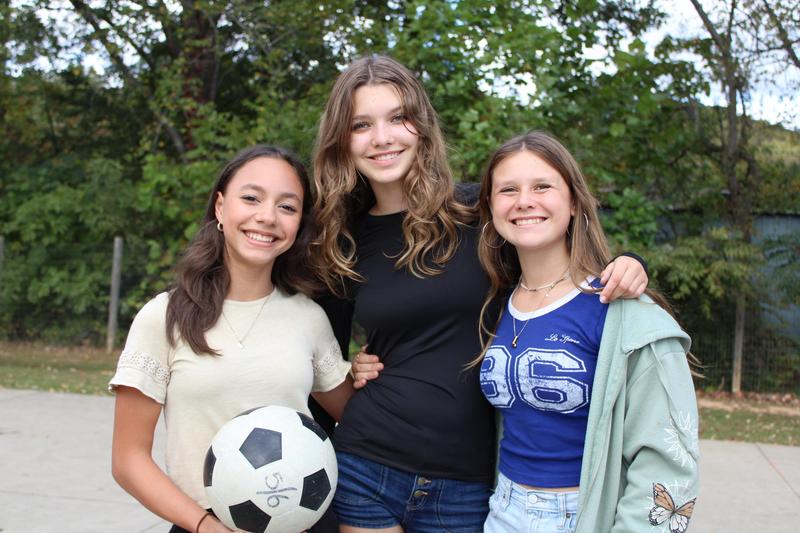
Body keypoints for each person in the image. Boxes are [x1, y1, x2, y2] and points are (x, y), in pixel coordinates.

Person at [310, 54, 650, 533]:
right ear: (341, 141)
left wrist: (631, 261)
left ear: (421, 126)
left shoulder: (479, 212)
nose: (382, 137)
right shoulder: (342, 239)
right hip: (366, 466)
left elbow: (559, 257)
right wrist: (355, 370)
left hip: (467, 480)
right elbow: (318, 355)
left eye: (397, 118)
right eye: (361, 125)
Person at [109, 145, 354, 533]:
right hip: (202, 524)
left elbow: (357, 419)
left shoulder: (309, 317)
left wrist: (369, 371)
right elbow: (128, 460)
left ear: (298, 224)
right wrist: (205, 526)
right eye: (251, 198)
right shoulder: (165, 317)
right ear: (221, 208)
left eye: (287, 207)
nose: (267, 217)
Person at [474, 131, 699, 532]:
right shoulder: (494, 303)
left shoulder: (622, 311)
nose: (524, 201)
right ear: (490, 206)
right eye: (508, 189)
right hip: (501, 510)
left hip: (583, 516)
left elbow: (668, 461)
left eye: (542, 186)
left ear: (575, 202)